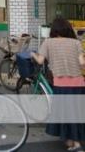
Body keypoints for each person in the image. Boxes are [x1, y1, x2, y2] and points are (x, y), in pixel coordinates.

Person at [31, 18, 85, 152]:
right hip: (78, 83)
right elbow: (82, 63)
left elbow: (40, 61)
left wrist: (32, 53)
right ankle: (74, 142)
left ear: (53, 30)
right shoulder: (76, 42)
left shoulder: (48, 42)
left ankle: (74, 143)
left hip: (61, 84)